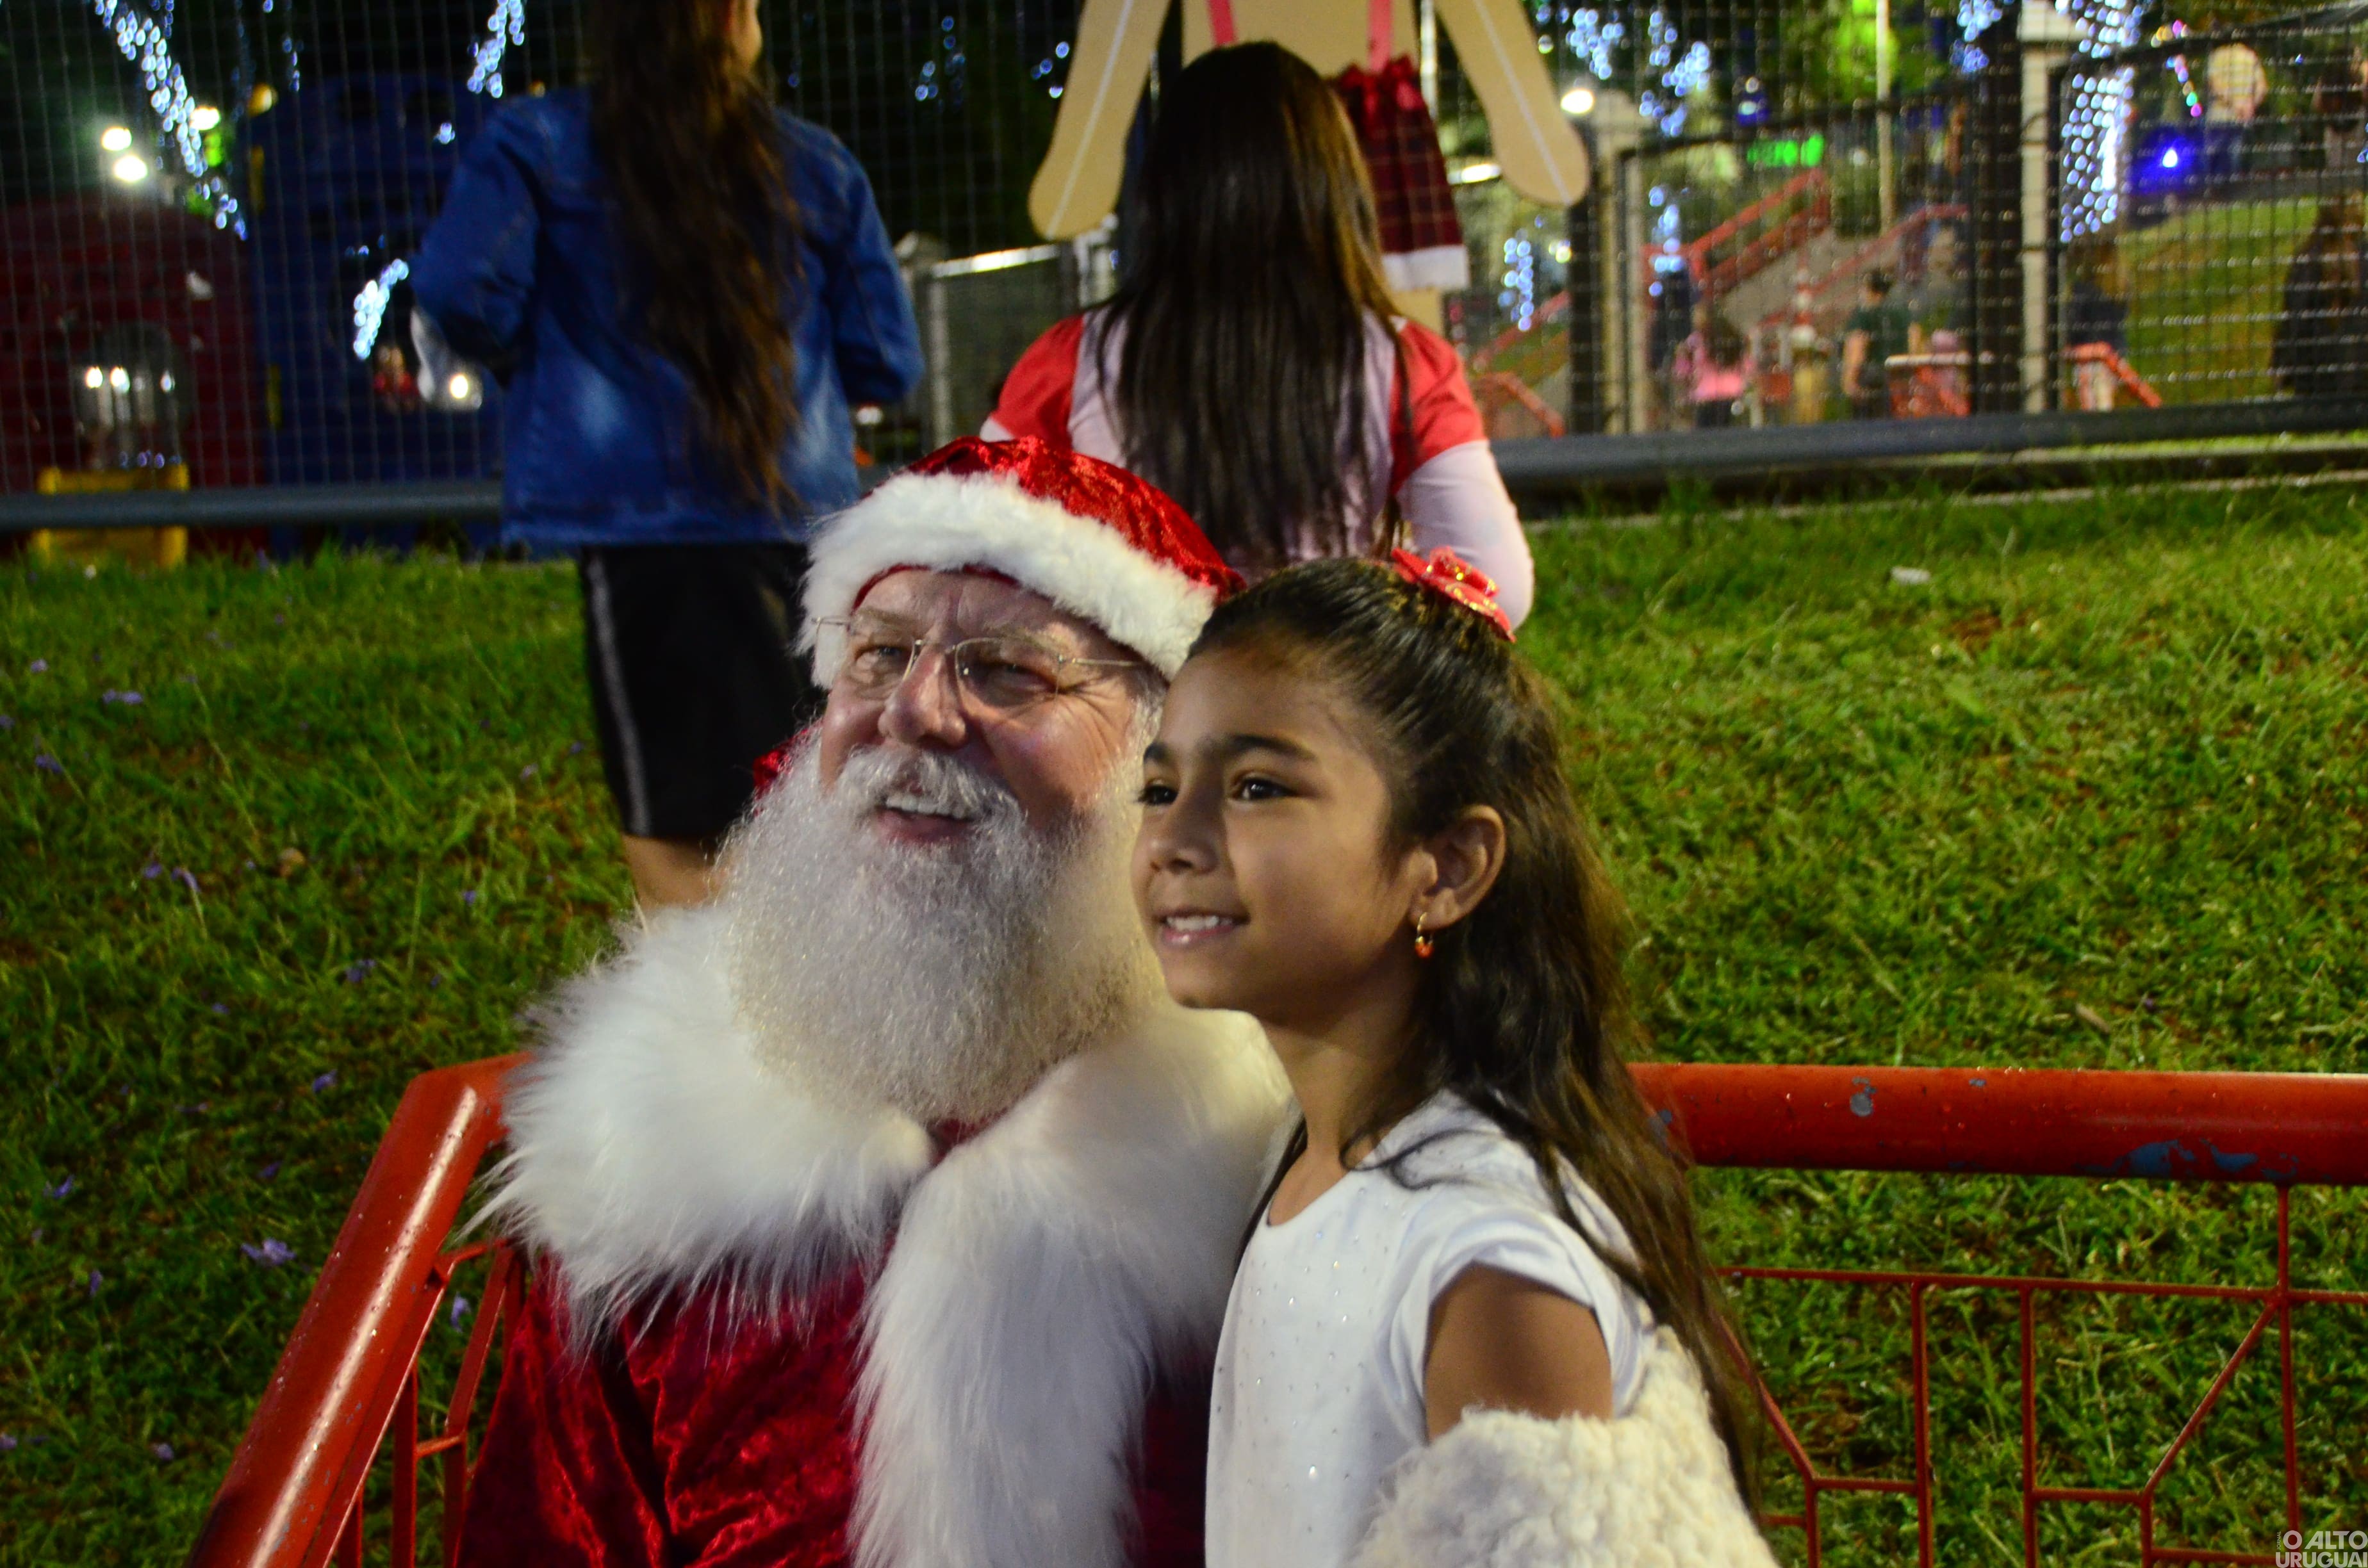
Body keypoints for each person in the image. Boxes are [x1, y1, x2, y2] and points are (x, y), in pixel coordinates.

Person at [456, 437, 1290, 1568]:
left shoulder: (1290, 1153)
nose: (913, 713)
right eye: (879, 654)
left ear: (1160, 759)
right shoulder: (639, 1170)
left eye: (1006, 670)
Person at [1133, 553, 1772, 1567]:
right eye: (1160, 786)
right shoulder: (1308, 1165)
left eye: (1256, 787)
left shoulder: (1486, 1265)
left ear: (1450, 868)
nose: (1173, 837)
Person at [409, 0, 923, 910]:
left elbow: (460, 291)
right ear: (734, 17)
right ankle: (816, 1026)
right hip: (795, 526)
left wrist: (541, 358)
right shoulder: (819, 166)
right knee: (809, 807)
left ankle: (705, 1038)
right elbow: (889, 357)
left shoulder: (537, 141)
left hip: (636, 532)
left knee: (673, 833)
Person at [983, 43, 1533, 626]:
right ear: (1336, 189)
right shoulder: (1405, 362)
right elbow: (1498, 587)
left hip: (1131, 699)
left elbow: (977, 541)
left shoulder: (1071, 360)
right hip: (1314, 694)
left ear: (1163, 190)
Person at [2271, 196, 2368, 400]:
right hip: (2325, 376)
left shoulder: (2308, 260)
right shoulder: (2309, 264)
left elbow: (2292, 322)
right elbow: (2295, 320)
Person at [1840, 270, 1911, 420]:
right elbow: (1915, 339)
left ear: (1872, 290)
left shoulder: (1864, 313)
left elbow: (1857, 345)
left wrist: (1849, 380)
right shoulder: (1903, 312)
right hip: (1901, 380)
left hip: (1874, 382)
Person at [1670, 306, 1751, 429]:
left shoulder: (1697, 340)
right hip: (1733, 392)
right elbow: (1748, 365)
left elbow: (1682, 370)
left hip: (1705, 395)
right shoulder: (1733, 336)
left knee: (1706, 436)